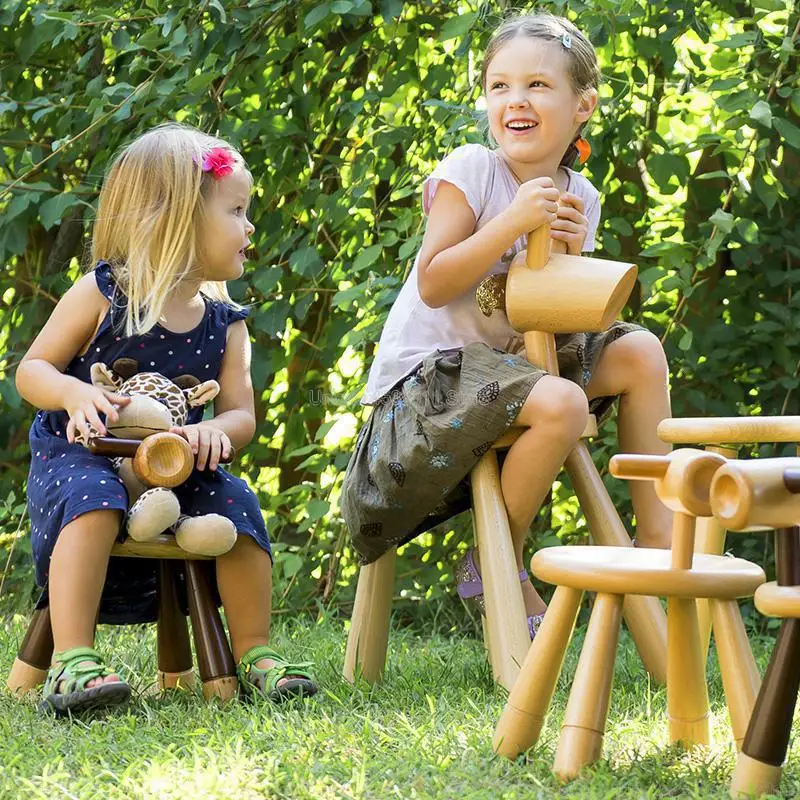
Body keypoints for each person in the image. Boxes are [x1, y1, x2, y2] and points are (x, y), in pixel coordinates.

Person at [340, 13, 672, 638]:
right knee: (563, 403)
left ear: (583, 107)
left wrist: (569, 256)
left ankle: (658, 540)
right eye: (499, 86)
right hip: (428, 385)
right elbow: (434, 281)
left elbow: (544, 313)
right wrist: (512, 223)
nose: (515, 100)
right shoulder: (473, 170)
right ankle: (495, 562)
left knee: (642, 353)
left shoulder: (582, 194)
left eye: (538, 86)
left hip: (516, 370)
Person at [15, 123, 316, 714]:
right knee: (93, 499)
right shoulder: (101, 294)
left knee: (239, 503)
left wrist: (214, 432)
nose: (250, 226)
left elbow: (241, 416)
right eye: (236, 210)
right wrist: (75, 395)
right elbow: (33, 371)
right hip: (85, 455)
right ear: (174, 218)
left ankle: (255, 652)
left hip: (178, 466)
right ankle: (74, 660)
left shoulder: (226, 321)